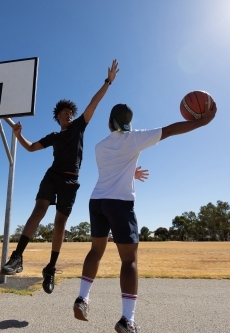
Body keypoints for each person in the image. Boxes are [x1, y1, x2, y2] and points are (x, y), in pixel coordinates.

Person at [73, 102, 217, 332]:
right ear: (128, 123)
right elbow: (169, 130)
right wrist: (202, 121)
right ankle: (127, 319)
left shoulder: (100, 146)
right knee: (129, 260)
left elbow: (115, 168)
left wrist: (132, 171)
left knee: (95, 251)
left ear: (110, 123)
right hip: (119, 203)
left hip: (97, 201)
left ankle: (82, 298)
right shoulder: (135, 138)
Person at [0, 59, 119, 294]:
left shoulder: (79, 128)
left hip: (71, 181)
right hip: (52, 176)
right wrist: (17, 135)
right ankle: (17, 257)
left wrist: (108, 82)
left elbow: (94, 103)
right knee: (39, 211)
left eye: (70, 113)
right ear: (58, 118)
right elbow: (32, 147)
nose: (68, 115)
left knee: (60, 223)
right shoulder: (55, 135)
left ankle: (51, 268)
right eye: (64, 113)